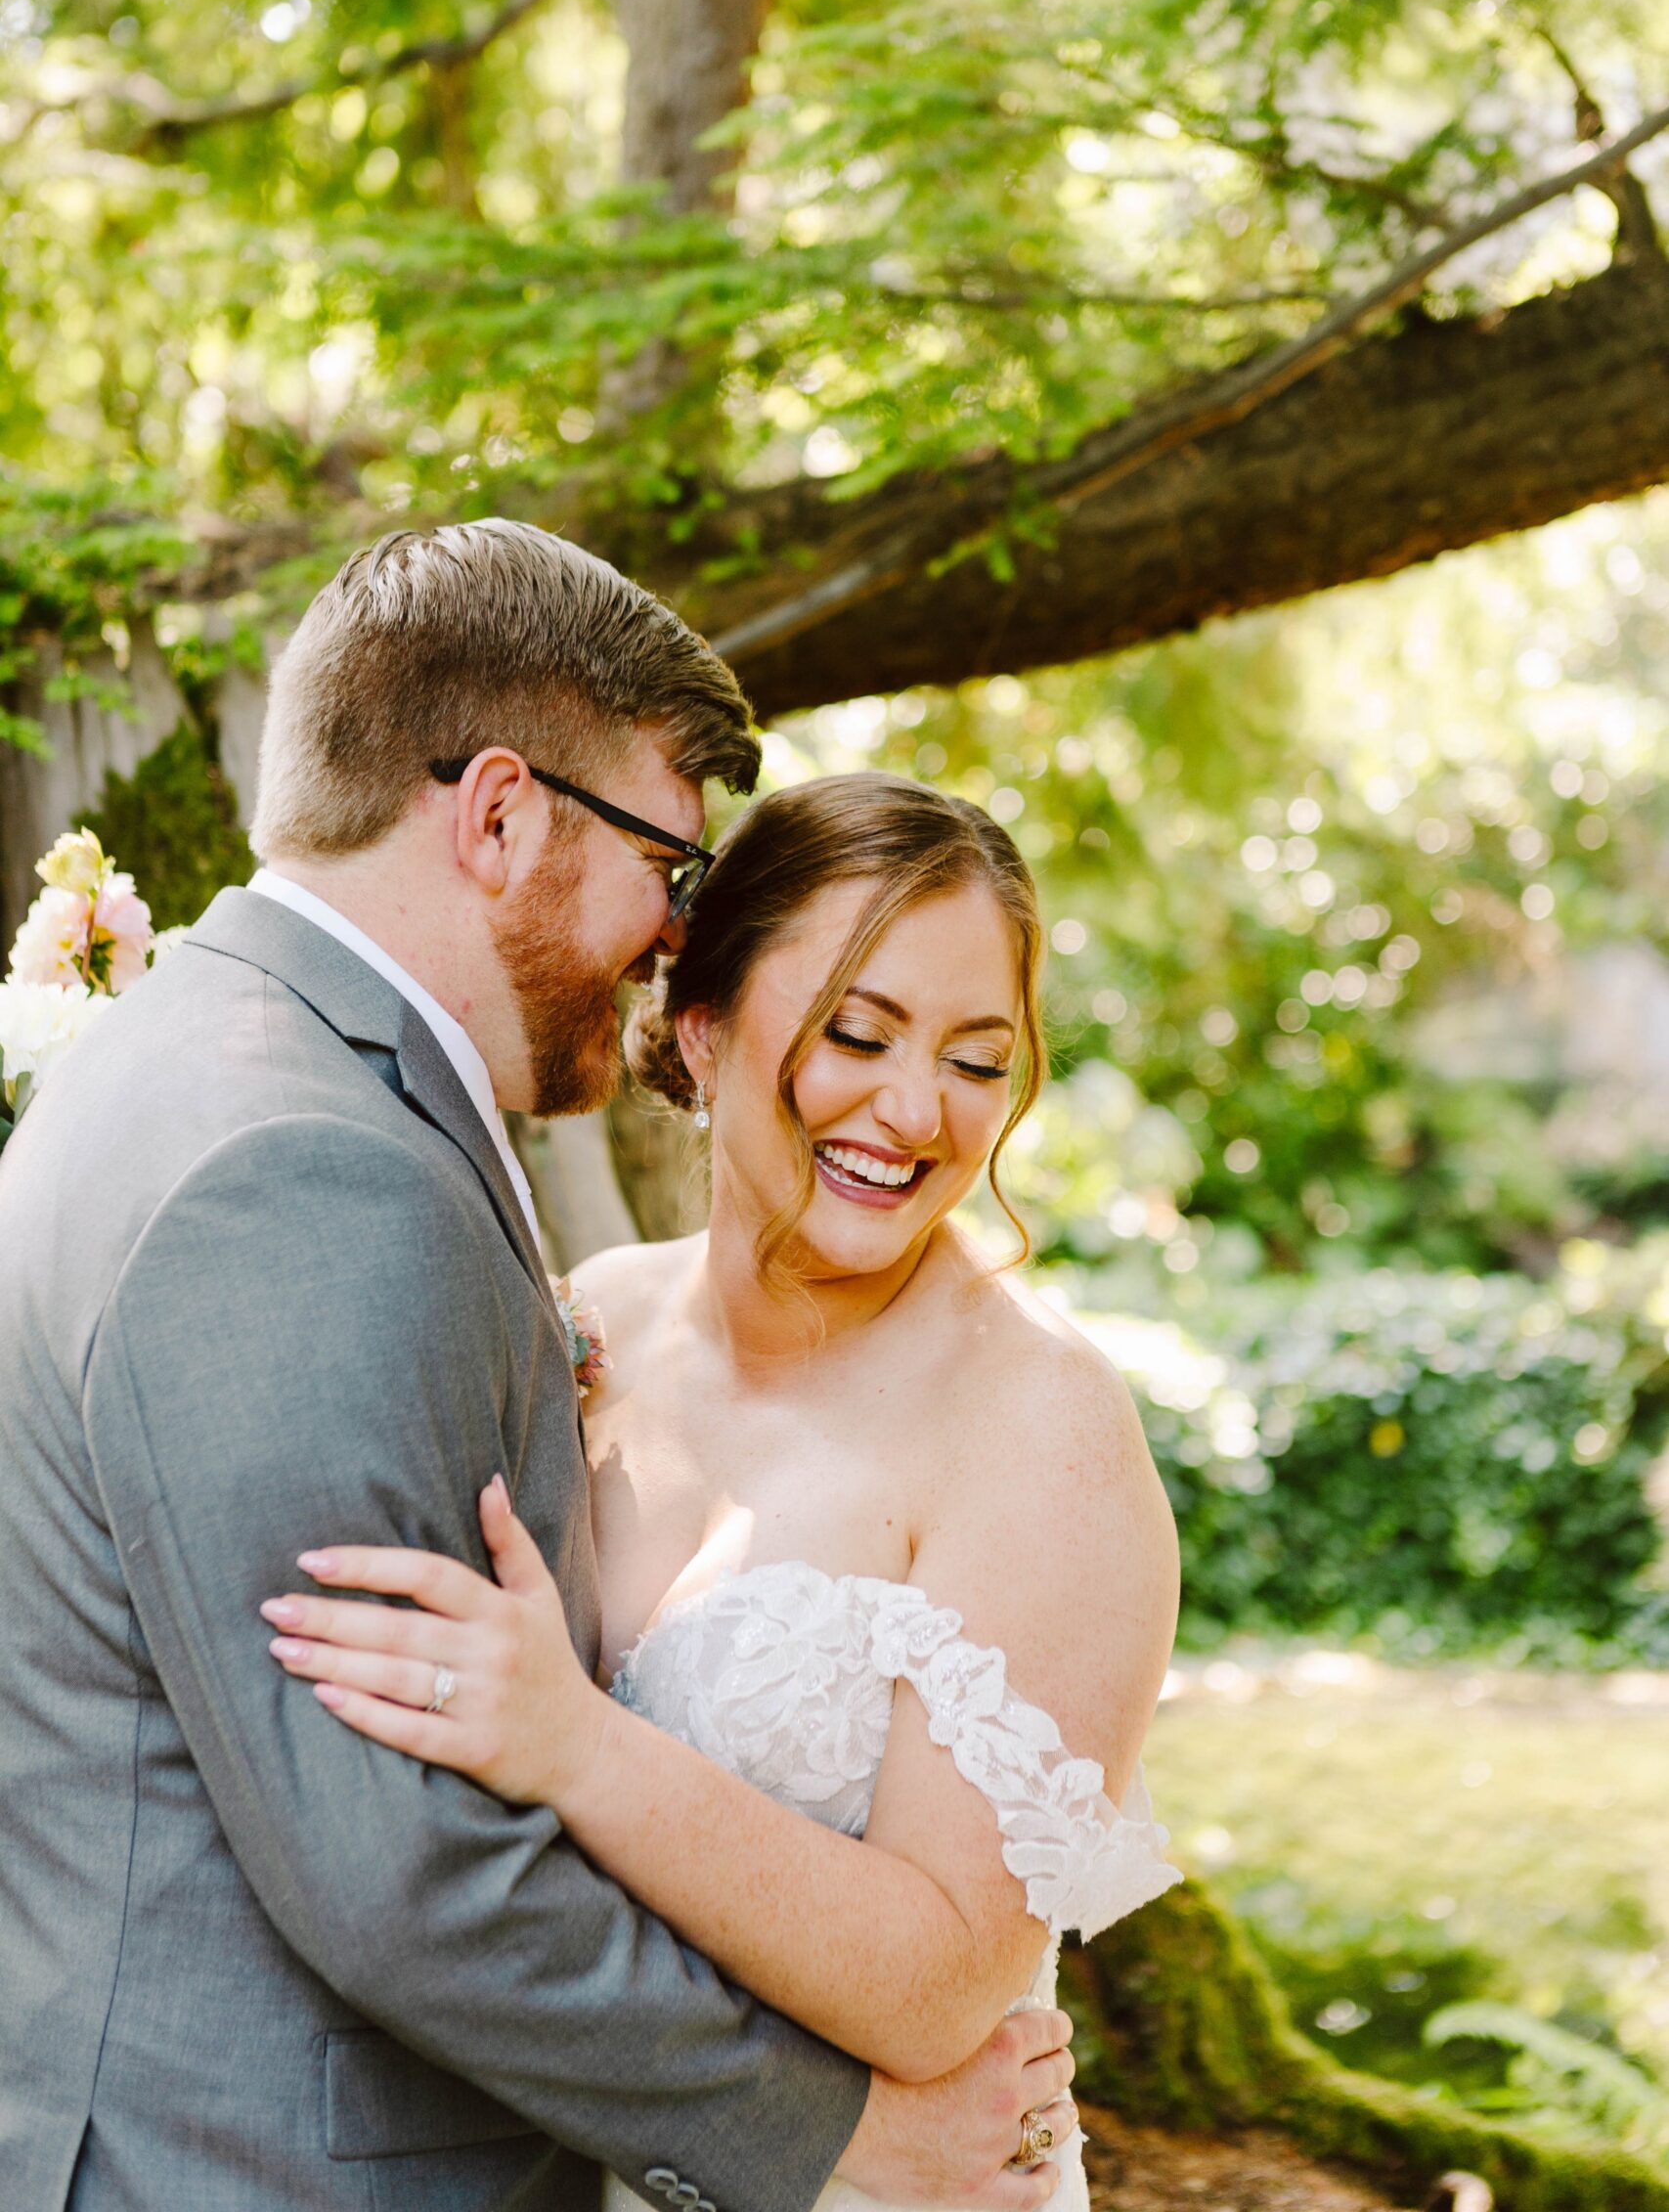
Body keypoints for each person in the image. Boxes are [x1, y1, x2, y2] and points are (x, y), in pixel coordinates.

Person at [0, 522, 1080, 2212]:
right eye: (668, 857)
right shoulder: (307, 1168)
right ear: (499, 815)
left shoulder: (191, 1055)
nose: (675, 934)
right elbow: (398, 1864)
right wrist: (841, 2138)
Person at [258, 769, 1185, 2212]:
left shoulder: (1042, 1430)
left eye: (978, 1059)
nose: (914, 1109)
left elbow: (943, 1985)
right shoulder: (586, 1331)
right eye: (857, 1034)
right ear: (699, 1025)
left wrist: (575, 1746)